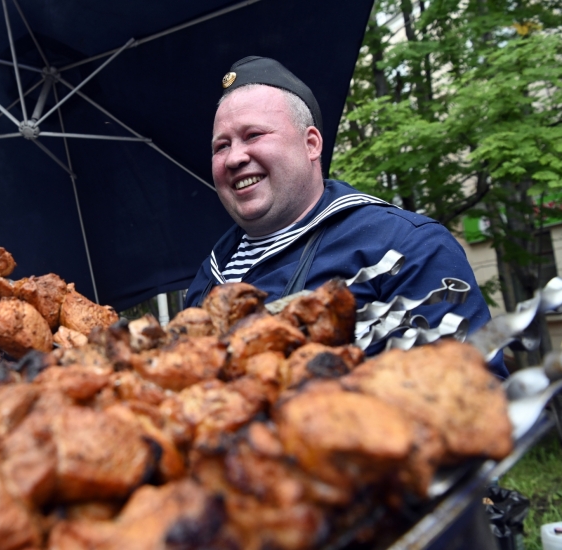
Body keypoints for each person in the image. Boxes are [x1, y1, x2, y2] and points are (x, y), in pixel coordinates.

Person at [185, 56, 507, 378]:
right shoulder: (208, 277)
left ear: (311, 144)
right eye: (221, 146)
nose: (234, 158)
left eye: (253, 135)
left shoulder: (406, 247)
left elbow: (473, 401)